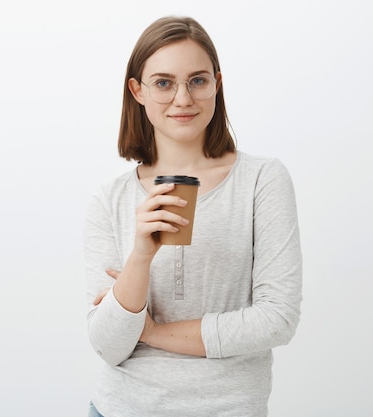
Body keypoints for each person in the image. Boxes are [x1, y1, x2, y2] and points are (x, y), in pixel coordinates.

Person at [84, 16, 302, 417]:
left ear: (216, 84)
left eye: (197, 81)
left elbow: (276, 320)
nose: (183, 98)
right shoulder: (109, 199)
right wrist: (140, 256)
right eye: (164, 82)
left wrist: (151, 333)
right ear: (137, 91)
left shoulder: (261, 180)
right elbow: (109, 345)